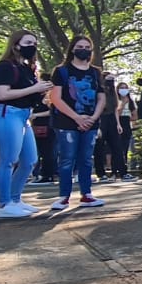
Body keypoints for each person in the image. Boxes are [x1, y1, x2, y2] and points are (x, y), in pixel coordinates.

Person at [0, 31, 47, 217]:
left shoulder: (27, 68)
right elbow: (2, 94)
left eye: (35, 43)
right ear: (16, 45)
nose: (32, 47)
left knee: (29, 160)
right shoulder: (5, 66)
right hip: (8, 114)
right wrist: (34, 88)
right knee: (8, 160)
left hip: (24, 116)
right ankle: (4, 204)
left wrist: (40, 92)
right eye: (28, 42)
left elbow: (29, 93)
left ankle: (15, 199)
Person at [49, 36, 107, 210]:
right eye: (80, 46)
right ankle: (64, 196)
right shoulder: (61, 71)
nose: (84, 49)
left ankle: (86, 194)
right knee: (67, 159)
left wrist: (93, 118)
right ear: (72, 49)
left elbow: (101, 97)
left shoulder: (96, 72)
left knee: (86, 159)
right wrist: (76, 117)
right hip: (66, 122)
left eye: (87, 47)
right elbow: (55, 98)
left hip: (91, 122)